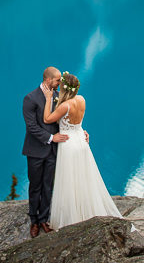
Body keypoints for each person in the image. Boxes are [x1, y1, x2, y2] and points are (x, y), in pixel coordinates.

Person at [42, 71, 122, 229]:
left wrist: (49, 98)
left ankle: (71, 218)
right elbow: (77, 122)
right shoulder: (81, 100)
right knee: (84, 178)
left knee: (68, 181)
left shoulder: (65, 105)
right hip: (81, 140)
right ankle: (86, 210)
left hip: (68, 144)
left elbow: (47, 119)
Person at [22, 66, 68, 238]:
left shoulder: (58, 97)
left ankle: (43, 219)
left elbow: (63, 121)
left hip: (52, 152)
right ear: (48, 80)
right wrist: (51, 138)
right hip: (35, 151)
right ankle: (33, 220)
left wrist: (80, 132)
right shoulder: (30, 98)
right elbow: (32, 127)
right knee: (35, 187)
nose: (59, 83)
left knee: (48, 186)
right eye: (57, 80)